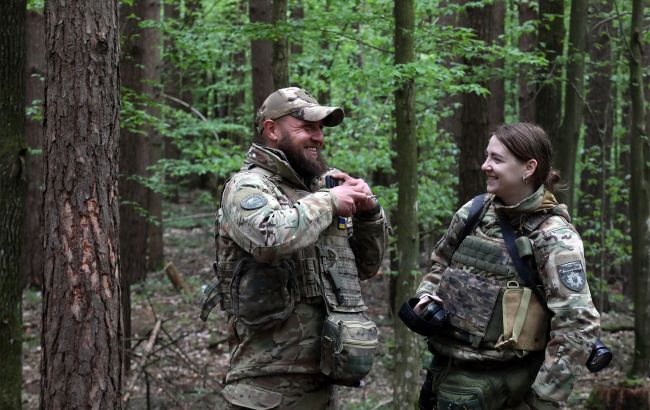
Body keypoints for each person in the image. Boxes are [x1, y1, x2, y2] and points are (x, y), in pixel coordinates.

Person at [200, 87, 389, 409]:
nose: (318, 137)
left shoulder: (318, 191)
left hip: (322, 386)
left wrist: (370, 211)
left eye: (320, 129)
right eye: (306, 127)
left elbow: (365, 268)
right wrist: (329, 201)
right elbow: (269, 240)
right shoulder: (248, 186)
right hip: (263, 391)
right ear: (272, 130)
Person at [411, 123, 601, 410]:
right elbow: (439, 265)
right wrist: (426, 296)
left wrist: (541, 400)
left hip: (509, 390)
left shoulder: (554, 237)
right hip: (445, 377)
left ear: (528, 168)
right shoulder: (473, 212)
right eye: (487, 156)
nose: (485, 165)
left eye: (497, 159)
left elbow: (578, 325)